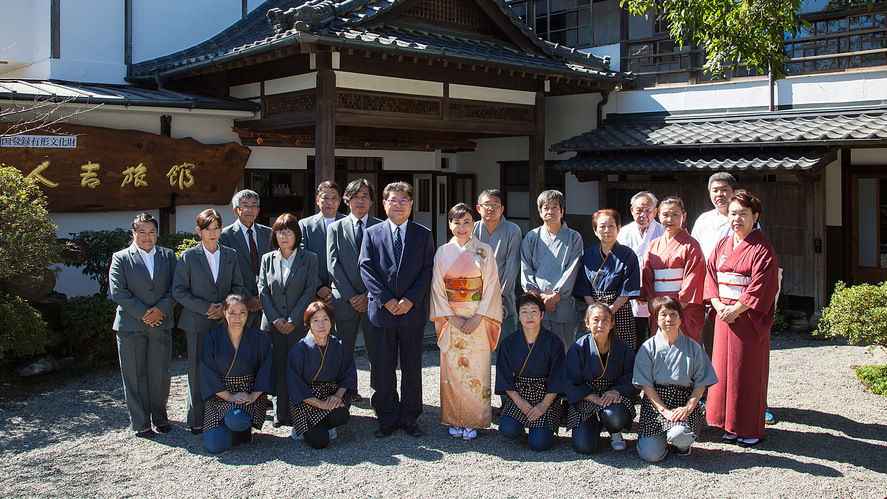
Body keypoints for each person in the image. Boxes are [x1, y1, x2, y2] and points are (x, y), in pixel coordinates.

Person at [359, 181, 435, 438]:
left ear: (411, 204)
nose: (399, 204)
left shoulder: (423, 234)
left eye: (404, 200)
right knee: (383, 366)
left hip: (411, 312)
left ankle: (411, 416)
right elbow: (366, 268)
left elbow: (427, 270)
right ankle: (387, 416)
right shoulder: (372, 232)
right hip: (382, 312)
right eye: (394, 200)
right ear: (384, 203)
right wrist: (386, 300)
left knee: (412, 366)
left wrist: (410, 300)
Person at [705, 190, 780, 448]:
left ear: (755, 216)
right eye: (733, 213)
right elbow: (711, 277)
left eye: (743, 214)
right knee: (725, 371)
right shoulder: (722, 245)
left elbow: (762, 286)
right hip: (724, 316)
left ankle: (749, 427)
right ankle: (729, 424)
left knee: (746, 372)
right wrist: (716, 303)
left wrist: (736, 309)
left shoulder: (762, 248)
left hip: (747, 319)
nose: (736, 218)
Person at [430, 203, 502, 440]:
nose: (461, 227)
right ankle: (454, 417)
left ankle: (474, 420)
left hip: (478, 320)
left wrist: (479, 316)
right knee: (452, 370)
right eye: (456, 222)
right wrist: (451, 317)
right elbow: (437, 289)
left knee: (477, 369)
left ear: (474, 224)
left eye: (467, 222)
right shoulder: (442, 252)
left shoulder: (485, 251)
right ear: (449, 224)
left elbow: (491, 287)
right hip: (451, 319)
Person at [173, 209, 247, 435]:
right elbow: (179, 291)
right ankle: (196, 419)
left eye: (216, 228)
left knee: (225, 368)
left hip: (224, 321)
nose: (212, 233)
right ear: (199, 231)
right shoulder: (188, 256)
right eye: (207, 229)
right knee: (197, 370)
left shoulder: (230, 254)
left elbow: (238, 286)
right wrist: (206, 307)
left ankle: (222, 415)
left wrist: (224, 307)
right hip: (197, 321)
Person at [109, 213, 177, 438]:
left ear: (157, 233)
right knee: (134, 375)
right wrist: (145, 315)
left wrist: (161, 310)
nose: (147, 237)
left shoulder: (168, 256)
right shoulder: (120, 257)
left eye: (151, 232)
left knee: (159, 373)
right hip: (131, 325)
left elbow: (175, 288)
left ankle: (160, 417)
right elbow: (118, 291)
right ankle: (141, 422)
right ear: (133, 233)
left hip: (161, 322)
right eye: (142, 232)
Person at [633, 296, 718, 462]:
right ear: (656, 319)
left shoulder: (693, 347)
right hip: (656, 404)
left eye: (673, 314)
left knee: (680, 435)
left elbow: (701, 383)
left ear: (681, 319)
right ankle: (660, 441)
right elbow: (645, 385)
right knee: (650, 455)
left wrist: (688, 407)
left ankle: (682, 445)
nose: (668, 319)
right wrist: (663, 410)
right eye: (663, 314)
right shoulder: (648, 347)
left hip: (683, 402)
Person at [258, 213, 318, 427]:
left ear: (296, 234)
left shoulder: (309, 258)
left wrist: (293, 319)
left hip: (298, 324)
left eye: (288, 231)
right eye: (279, 232)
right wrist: (275, 319)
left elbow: (309, 290)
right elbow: (262, 291)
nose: (283, 236)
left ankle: (297, 410)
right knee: (277, 367)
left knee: (297, 368)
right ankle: (279, 413)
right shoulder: (267, 259)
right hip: (273, 325)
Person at [200, 294, 275, 454]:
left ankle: (242, 429)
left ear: (248, 314)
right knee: (215, 447)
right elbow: (207, 372)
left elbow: (266, 370)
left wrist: (253, 396)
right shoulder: (213, 339)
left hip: (247, 396)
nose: (237, 317)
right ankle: (233, 431)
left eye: (242, 312)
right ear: (224, 313)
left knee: (237, 419)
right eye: (232, 312)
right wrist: (227, 396)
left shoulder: (258, 339)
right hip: (220, 396)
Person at [327, 179, 382, 396]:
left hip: (374, 300)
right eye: (355, 196)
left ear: (372, 201)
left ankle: (378, 396)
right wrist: (352, 296)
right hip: (344, 301)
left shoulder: (380, 227)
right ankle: (346, 394)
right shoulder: (335, 228)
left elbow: (385, 267)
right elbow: (333, 264)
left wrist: (368, 295)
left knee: (376, 351)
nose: (360, 201)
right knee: (343, 351)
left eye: (365, 196)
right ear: (347, 201)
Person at [564, 303, 637, 454]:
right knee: (584, 447)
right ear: (587, 323)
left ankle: (614, 430)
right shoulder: (579, 347)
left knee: (614, 416)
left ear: (612, 324)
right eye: (595, 320)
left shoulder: (622, 346)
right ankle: (595, 422)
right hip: (587, 399)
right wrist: (597, 400)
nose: (600, 324)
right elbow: (571, 381)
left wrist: (617, 391)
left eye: (605, 320)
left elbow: (631, 374)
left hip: (614, 397)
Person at [495, 291, 564, 451]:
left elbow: (557, 376)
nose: (529, 316)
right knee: (508, 429)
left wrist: (543, 405)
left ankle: (540, 429)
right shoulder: (509, 342)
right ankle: (523, 427)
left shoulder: (553, 342)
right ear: (518, 316)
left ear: (542, 315)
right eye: (524, 312)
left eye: (534, 311)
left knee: (539, 444)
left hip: (545, 395)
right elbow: (504, 374)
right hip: (520, 393)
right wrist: (519, 401)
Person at [287, 301, 358, 449]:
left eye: (325, 319)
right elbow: (295, 384)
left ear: (331, 323)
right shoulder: (300, 349)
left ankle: (325, 423)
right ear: (309, 324)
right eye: (316, 320)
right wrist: (319, 403)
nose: (321, 325)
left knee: (341, 415)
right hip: (306, 401)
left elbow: (348, 373)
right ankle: (304, 426)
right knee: (320, 443)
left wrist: (338, 396)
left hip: (330, 395)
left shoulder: (339, 345)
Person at [520, 189, 583, 350]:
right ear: (540, 213)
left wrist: (556, 296)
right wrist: (536, 297)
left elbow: (573, 269)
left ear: (562, 211)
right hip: (535, 303)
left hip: (562, 302)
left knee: (564, 348)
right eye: (546, 207)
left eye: (555, 207)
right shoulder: (532, 237)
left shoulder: (574, 237)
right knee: (536, 348)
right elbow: (525, 267)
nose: (550, 211)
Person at [640, 196, 705, 343]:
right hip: (658, 307)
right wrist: (655, 308)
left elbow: (693, 280)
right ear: (658, 216)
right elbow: (648, 278)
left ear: (684, 216)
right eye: (665, 215)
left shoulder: (692, 245)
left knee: (685, 348)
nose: (670, 219)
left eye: (675, 214)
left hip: (684, 308)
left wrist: (675, 311)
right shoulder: (653, 245)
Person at [575, 209, 641, 350]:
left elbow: (627, 288)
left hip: (619, 308)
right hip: (595, 308)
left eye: (611, 226)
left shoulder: (628, 254)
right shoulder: (588, 255)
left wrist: (610, 310)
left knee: (623, 348)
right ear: (595, 230)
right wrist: (595, 310)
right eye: (602, 226)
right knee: (596, 348)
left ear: (618, 228)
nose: (607, 230)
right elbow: (584, 286)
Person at [472, 189, 522, 345]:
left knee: (506, 346)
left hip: (503, 299)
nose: (491, 208)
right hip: (476, 298)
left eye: (495, 204)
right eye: (486, 204)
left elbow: (512, 266)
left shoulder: (512, 230)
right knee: (478, 349)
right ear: (479, 208)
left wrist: (500, 295)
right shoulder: (473, 229)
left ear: (502, 208)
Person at [617, 191, 665, 349]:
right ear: (632, 211)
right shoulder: (623, 233)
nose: (643, 215)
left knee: (658, 339)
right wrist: (634, 290)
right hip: (631, 294)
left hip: (657, 292)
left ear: (655, 212)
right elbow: (620, 266)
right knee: (633, 340)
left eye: (648, 210)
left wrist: (647, 291)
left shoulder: (664, 233)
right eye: (639, 210)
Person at [220, 189, 272, 330]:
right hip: (239, 301)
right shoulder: (226, 236)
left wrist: (262, 297)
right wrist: (248, 298)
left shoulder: (268, 233)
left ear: (258, 209)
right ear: (236, 210)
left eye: (253, 205)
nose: (249, 209)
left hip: (266, 300)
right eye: (244, 205)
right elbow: (228, 272)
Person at [299, 181, 345, 303]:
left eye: (334, 198)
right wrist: (318, 286)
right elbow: (302, 257)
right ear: (317, 200)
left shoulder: (348, 223)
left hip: (344, 291)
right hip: (314, 290)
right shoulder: (305, 225)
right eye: (325, 198)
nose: (329, 202)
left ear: (340, 201)